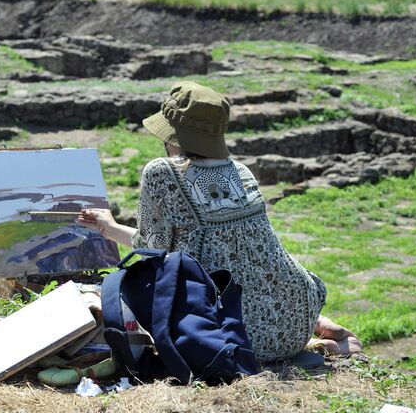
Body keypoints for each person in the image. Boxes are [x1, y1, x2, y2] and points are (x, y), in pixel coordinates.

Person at [78, 81, 362, 362]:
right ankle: (324, 335)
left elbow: (153, 248)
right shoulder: (242, 171)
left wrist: (109, 227)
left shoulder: (161, 172)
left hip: (231, 335)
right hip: (294, 322)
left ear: (171, 135)